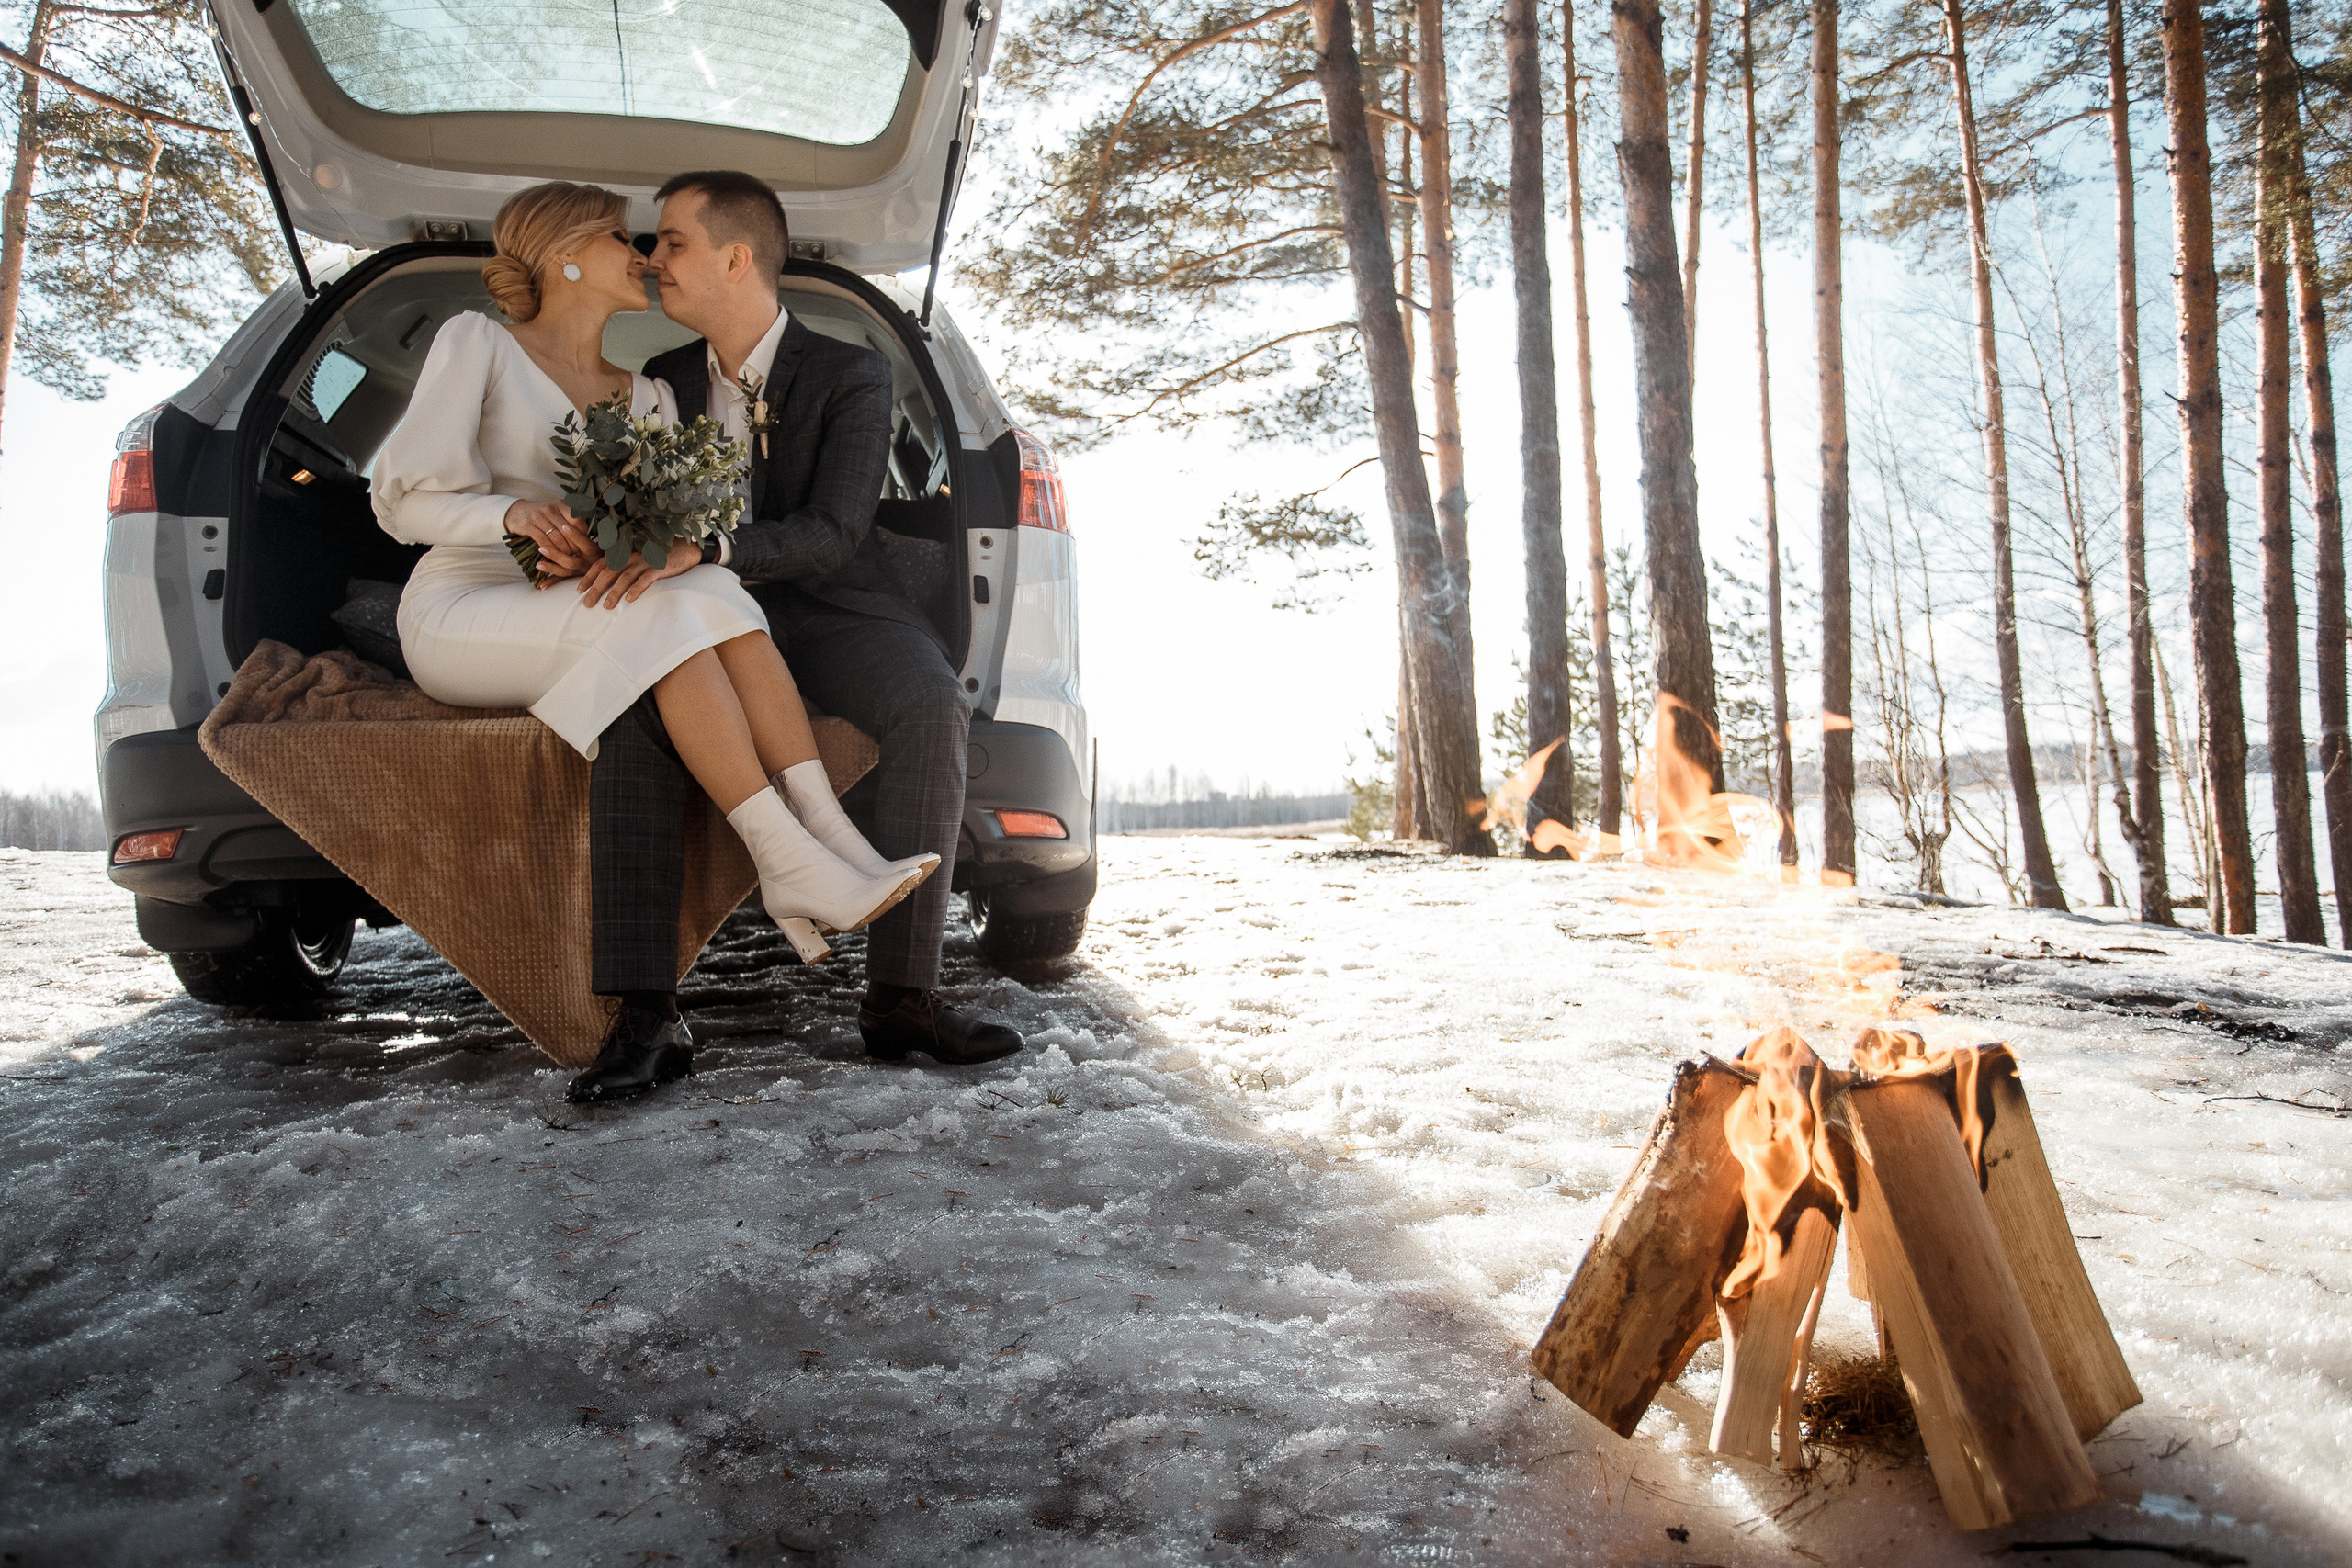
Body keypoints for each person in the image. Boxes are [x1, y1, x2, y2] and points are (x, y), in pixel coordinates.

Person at [370, 181, 933, 1105]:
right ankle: (793, 854)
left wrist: (617, 547)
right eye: (621, 237)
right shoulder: (478, 343)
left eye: (655, 241)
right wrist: (511, 515)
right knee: (673, 612)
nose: (640, 256)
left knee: (707, 584)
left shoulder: (648, 395)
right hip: (465, 602)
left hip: (581, 599)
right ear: (564, 256)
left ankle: (820, 844)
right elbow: (400, 503)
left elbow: (670, 532)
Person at [605, 168, 1024, 1069]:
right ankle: (645, 1017)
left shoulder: (851, 372)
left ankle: (903, 999)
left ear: (735, 258)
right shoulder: (659, 382)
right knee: (633, 704)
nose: (652, 259)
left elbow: (835, 531)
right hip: (701, 622)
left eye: (672, 242)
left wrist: (711, 548)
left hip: (836, 607)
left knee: (932, 702)